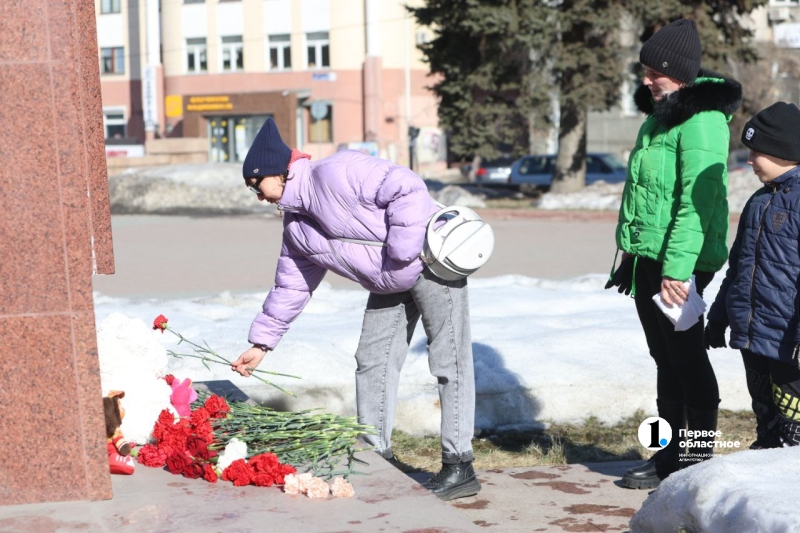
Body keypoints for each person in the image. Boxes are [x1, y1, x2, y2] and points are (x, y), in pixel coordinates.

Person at [229, 118, 480, 501]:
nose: (257, 196)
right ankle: (378, 457)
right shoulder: (297, 227)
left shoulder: (336, 172)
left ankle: (459, 465)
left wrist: (401, 252)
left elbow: (407, 187)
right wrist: (262, 344)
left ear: (277, 172)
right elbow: (291, 285)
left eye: (256, 185)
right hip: (390, 282)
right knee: (372, 360)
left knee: (449, 361)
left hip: (430, 262)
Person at [605, 18, 742, 489]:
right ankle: (667, 457)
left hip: (680, 263)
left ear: (677, 72)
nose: (644, 80)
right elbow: (643, 195)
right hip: (650, 259)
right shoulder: (658, 117)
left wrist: (678, 270)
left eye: (652, 72)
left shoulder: (702, 122)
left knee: (685, 359)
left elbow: (695, 202)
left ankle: (696, 459)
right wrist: (631, 254)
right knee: (664, 359)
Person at [706, 103, 800, 449]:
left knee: (795, 425)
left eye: (756, 152)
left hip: (790, 344)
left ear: (783, 152)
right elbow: (739, 267)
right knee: (766, 416)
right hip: (754, 337)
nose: (749, 160)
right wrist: (719, 317)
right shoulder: (759, 201)